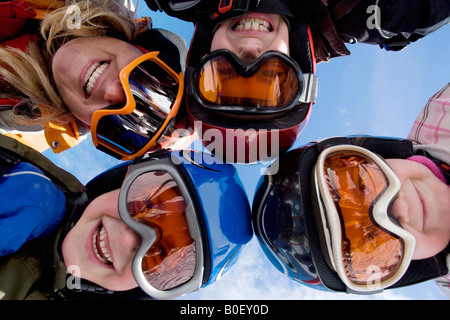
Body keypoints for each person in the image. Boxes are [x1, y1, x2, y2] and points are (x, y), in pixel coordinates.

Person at [252, 84, 450, 297]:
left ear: (374, 152)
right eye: (379, 247)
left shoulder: (444, 112)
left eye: (365, 183)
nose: (402, 207)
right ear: (405, 270)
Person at [0, 134, 253, 299]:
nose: (128, 240)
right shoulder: (15, 175)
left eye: (161, 258)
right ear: (121, 181)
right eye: (145, 204)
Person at [0, 0, 187, 158]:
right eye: (143, 80)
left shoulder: (15, 140)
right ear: (140, 45)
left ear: (87, 124)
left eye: (117, 122)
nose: (112, 92)